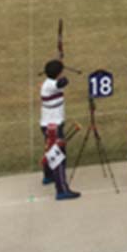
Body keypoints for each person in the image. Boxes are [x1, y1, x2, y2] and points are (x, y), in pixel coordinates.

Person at [39, 60, 80, 200]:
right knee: (58, 157)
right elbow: (63, 82)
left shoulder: (48, 83)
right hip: (53, 128)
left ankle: (48, 176)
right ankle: (62, 190)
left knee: (50, 151)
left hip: (49, 125)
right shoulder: (51, 85)